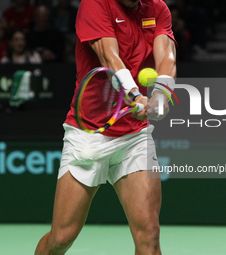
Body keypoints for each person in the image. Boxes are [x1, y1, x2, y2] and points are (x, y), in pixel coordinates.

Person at [34, 0, 176, 254]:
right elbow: (109, 57)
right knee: (61, 238)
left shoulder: (157, 8)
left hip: (135, 136)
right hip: (89, 134)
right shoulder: (95, 4)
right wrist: (135, 95)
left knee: (149, 235)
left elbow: (167, 56)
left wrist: (161, 98)